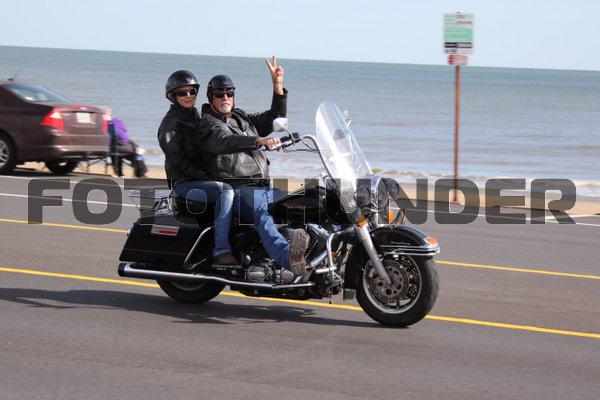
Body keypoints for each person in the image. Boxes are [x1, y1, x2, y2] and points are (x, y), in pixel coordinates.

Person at [194, 56, 310, 283]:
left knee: (301, 204)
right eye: (219, 94)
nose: (225, 98)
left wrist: (277, 86)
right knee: (262, 215)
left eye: (229, 93)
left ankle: (317, 249)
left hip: (262, 185)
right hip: (237, 187)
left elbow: (275, 117)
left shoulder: (241, 117)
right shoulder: (207, 123)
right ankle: (289, 259)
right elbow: (225, 141)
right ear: (210, 97)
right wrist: (259, 140)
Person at [157, 70, 237, 266]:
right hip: (184, 182)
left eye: (192, 91)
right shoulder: (170, 123)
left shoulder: (196, 116)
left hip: (201, 179)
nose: (188, 96)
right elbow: (177, 160)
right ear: (173, 96)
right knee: (225, 191)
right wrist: (202, 175)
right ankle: (222, 250)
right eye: (182, 93)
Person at [101, 107, 147, 178]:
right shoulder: (116, 122)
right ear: (109, 114)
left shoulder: (102, 124)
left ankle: (119, 172)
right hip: (120, 144)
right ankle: (140, 173)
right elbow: (124, 130)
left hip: (112, 146)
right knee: (137, 151)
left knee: (133, 150)